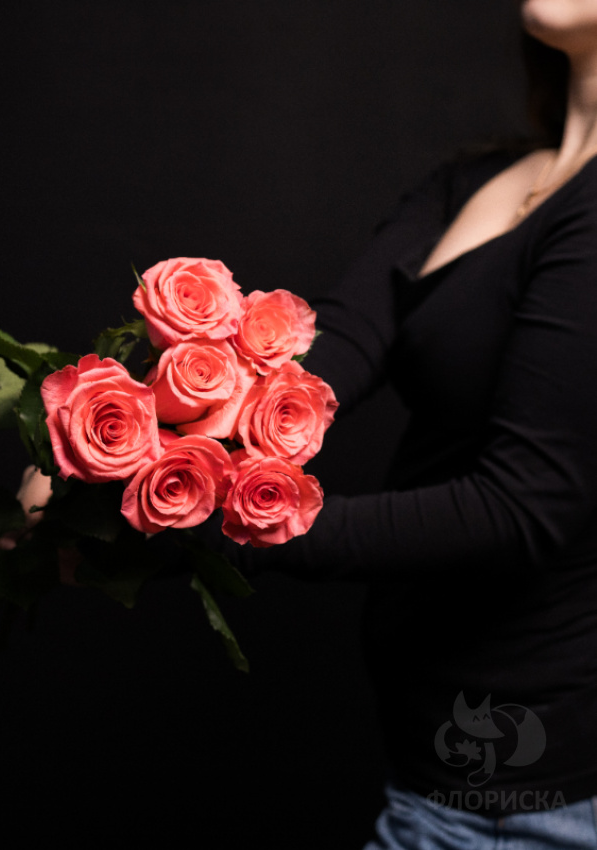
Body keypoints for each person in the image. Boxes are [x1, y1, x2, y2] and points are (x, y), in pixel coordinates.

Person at [225, 1, 597, 846]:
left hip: (521, 795)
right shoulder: (481, 179)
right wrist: (124, 461)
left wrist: (219, 527)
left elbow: (518, 509)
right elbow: (332, 351)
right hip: (437, 758)